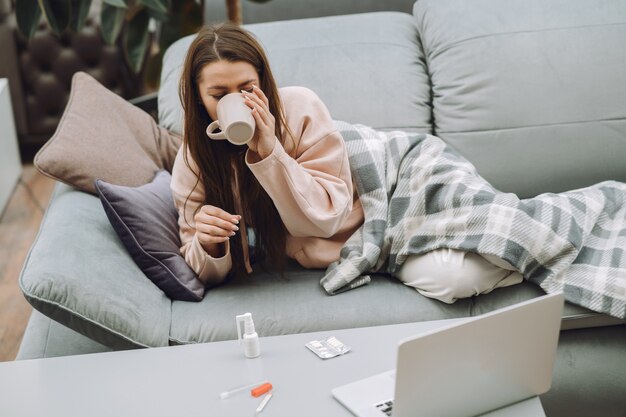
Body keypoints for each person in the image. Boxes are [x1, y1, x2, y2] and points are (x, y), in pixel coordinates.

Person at [171, 22, 522, 302]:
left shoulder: (298, 107)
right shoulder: (194, 159)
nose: (238, 102)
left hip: (401, 173)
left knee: (504, 232)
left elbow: (326, 217)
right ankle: (521, 256)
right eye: (219, 95)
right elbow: (200, 267)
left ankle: (522, 244)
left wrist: (269, 149)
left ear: (263, 82)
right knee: (455, 279)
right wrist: (209, 243)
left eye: (247, 88)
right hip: (362, 237)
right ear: (200, 98)